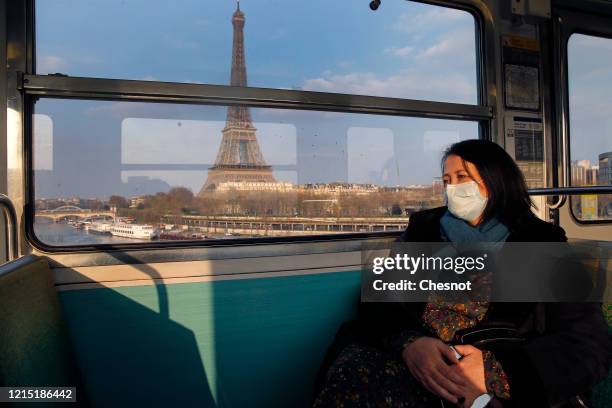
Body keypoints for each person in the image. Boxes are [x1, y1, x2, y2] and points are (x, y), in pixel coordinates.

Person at [313, 139, 611, 408]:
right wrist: (409, 343)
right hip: (419, 358)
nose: (452, 188)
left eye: (462, 178)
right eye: (446, 180)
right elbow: (380, 299)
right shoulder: (424, 231)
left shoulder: (542, 242)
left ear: (495, 180)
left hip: (491, 370)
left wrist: (495, 371)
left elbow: (588, 343)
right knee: (355, 370)